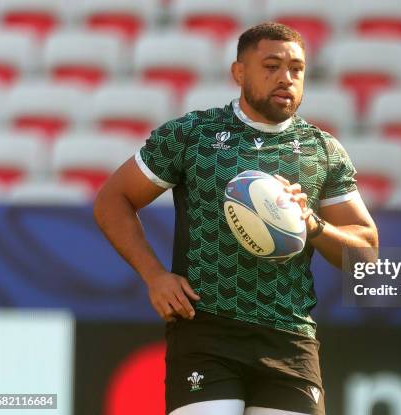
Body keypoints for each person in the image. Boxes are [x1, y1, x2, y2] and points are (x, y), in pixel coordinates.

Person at [94, 22, 378, 415]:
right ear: (239, 72)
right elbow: (113, 199)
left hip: (289, 340)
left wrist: (312, 224)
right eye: (271, 65)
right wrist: (154, 276)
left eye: (296, 69)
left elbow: (366, 254)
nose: (286, 78)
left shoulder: (323, 150)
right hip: (206, 330)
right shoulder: (193, 134)